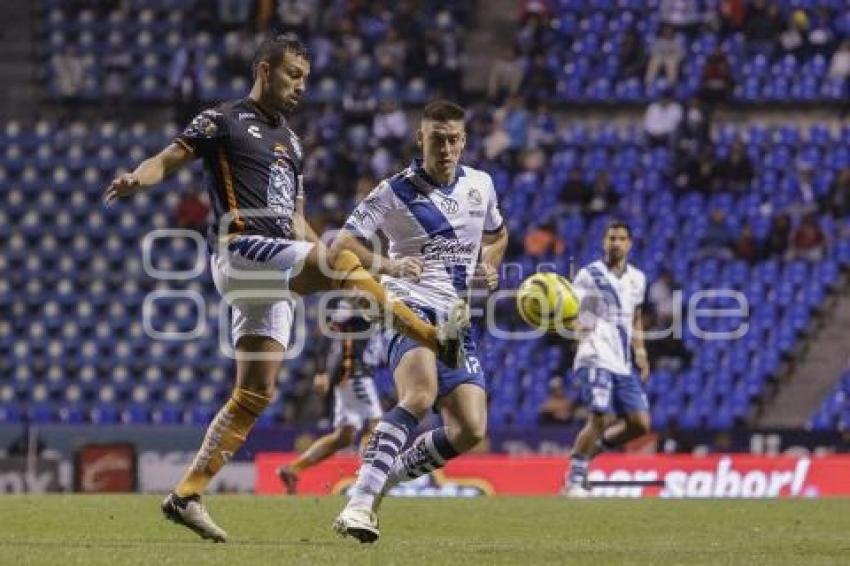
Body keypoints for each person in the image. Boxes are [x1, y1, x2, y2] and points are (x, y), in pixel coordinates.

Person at [104, 36, 468, 543]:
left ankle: (186, 494)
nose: (300, 86)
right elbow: (168, 158)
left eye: (305, 78)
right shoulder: (223, 120)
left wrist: (354, 266)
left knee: (255, 392)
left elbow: (297, 223)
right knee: (341, 257)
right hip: (241, 249)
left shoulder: (293, 143)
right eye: (293, 74)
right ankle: (430, 335)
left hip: (275, 264)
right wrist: (135, 180)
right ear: (264, 69)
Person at [330, 100, 509, 543]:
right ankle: (358, 505)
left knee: (470, 429)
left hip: (455, 317)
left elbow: (498, 234)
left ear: (464, 140)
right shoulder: (393, 192)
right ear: (420, 139)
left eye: (453, 140)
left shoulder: (481, 185)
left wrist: (489, 262)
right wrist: (386, 266)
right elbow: (342, 247)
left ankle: (382, 479)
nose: (446, 148)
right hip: (406, 307)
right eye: (437, 139)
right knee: (420, 392)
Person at [564, 220, 650, 497]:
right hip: (595, 355)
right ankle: (575, 478)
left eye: (622, 238)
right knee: (601, 416)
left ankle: (593, 450)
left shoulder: (638, 279)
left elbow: (635, 317)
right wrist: (579, 331)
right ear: (603, 242)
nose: (616, 243)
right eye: (611, 238)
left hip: (622, 361)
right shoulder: (590, 276)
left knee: (639, 423)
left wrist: (641, 351)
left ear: (630, 243)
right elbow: (579, 315)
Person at [276, 300, 385, 494]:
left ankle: (293, 469)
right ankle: (368, 484)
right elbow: (328, 332)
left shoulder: (371, 295)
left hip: (350, 375)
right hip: (355, 372)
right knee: (375, 425)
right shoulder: (352, 299)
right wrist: (322, 370)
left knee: (344, 436)